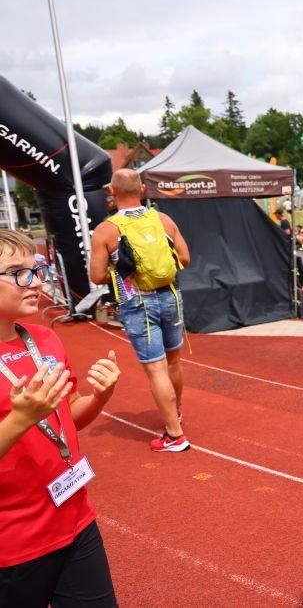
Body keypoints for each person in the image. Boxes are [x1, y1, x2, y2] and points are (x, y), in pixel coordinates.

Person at [0, 230, 122, 608]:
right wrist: (20, 419)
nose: (35, 282)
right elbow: (28, 421)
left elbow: (69, 416)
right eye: (17, 272)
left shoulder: (44, 339)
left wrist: (101, 397)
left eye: (36, 269)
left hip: (76, 520)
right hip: (12, 545)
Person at [89, 169, 192, 452]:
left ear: (112, 191)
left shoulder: (106, 229)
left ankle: (175, 435)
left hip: (137, 302)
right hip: (170, 296)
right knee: (173, 362)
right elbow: (184, 258)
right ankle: (176, 412)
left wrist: (121, 269)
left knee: (156, 368)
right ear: (143, 190)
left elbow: (97, 276)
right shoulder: (163, 220)